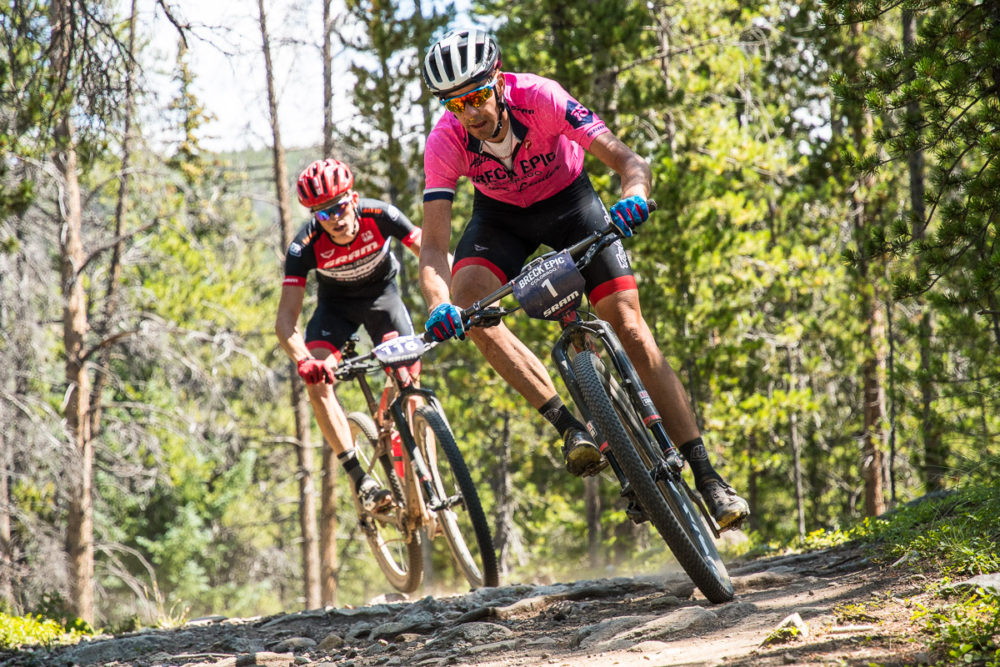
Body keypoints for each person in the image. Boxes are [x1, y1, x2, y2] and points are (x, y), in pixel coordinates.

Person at [417, 29, 750, 530]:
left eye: (480, 96)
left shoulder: (542, 98)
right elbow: (434, 247)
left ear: (500, 80)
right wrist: (440, 303)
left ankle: (707, 476)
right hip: (501, 220)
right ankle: (571, 428)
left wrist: (633, 194)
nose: (472, 113)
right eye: (456, 104)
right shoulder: (445, 141)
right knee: (471, 312)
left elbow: (628, 161)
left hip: (572, 204)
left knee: (631, 329)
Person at [276, 158, 422, 513]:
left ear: (353, 199)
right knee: (318, 383)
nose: (335, 219)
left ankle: (420, 477)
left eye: (340, 207)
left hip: (383, 301)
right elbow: (284, 321)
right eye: (323, 214)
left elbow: (431, 254)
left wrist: (452, 299)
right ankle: (361, 479)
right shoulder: (304, 246)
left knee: (410, 385)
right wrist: (304, 360)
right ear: (314, 216)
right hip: (336, 310)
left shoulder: (381, 215)